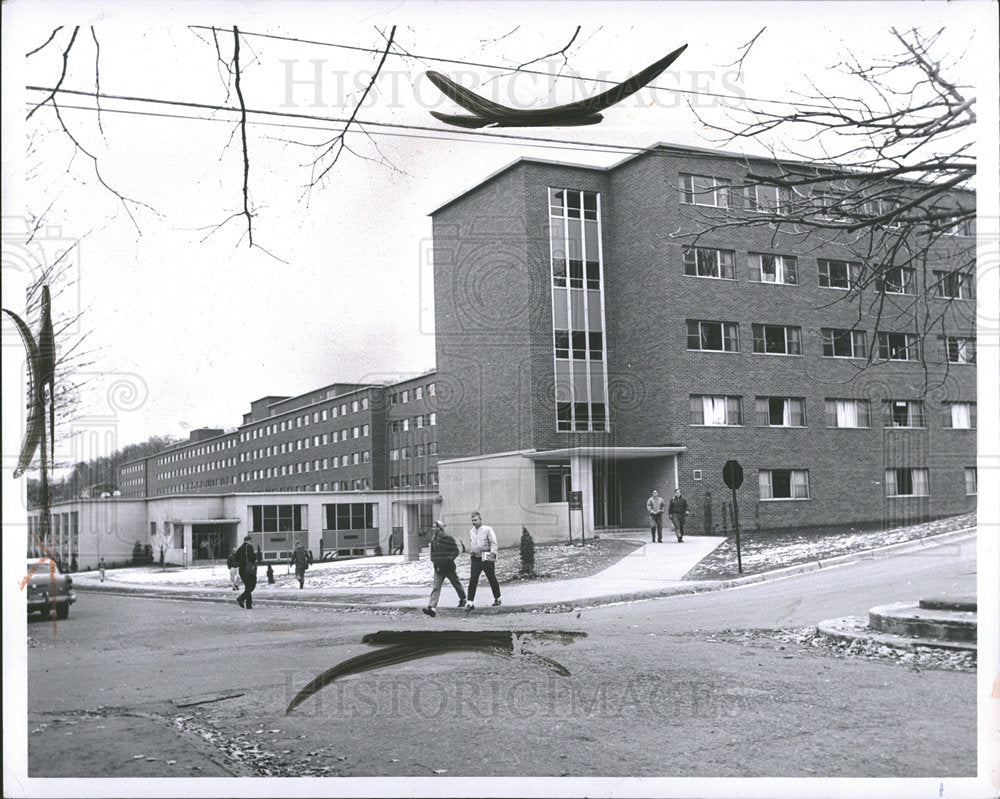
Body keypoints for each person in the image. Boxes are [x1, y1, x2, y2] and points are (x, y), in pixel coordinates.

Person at [423, 521, 466, 617]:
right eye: (433, 527)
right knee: (436, 587)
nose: (433, 529)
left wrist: (448, 560)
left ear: (440, 528)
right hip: (438, 569)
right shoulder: (433, 540)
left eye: (435, 527)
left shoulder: (449, 539)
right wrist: (434, 561)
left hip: (449, 568)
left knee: (456, 584)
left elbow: (455, 551)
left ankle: (463, 599)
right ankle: (432, 607)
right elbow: (432, 554)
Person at [466, 512, 501, 610]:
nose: (474, 522)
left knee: (491, 578)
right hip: (475, 558)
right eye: (472, 520)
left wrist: (492, 556)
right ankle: (470, 602)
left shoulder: (487, 529)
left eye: (475, 520)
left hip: (486, 556)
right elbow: (472, 543)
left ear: (480, 519)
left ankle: (497, 598)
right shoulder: (472, 531)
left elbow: (493, 543)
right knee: (473, 580)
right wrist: (471, 552)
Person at [234, 535, 258, 609]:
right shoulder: (249, 547)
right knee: (252, 586)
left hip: (241, 569)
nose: (251, 542)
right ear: (249, 540)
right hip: (248, 569)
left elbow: (236, 558)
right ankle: (241, 598)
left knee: (247, 586)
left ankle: (249, 604)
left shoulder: (240, 548)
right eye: (250, 541)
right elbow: (252, 557)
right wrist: (255, 559)